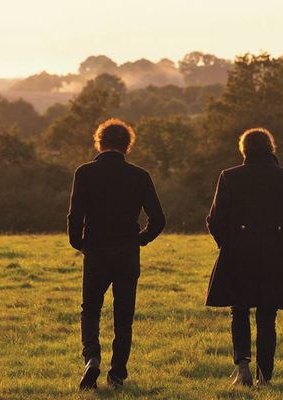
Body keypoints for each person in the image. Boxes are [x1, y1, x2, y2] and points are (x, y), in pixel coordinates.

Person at [205, 127, 283, 387]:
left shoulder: (229, 177)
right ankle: (266, 376)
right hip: (277, 255)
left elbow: (214, 220)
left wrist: (226, 245)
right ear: (270, 148)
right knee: (267, 315)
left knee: (239, 310)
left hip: (238, 253)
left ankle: (242, 367)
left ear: (244, 150)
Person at [67, 118, 166, 390]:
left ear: (99, 141)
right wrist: (139, 240)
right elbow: (158, 219)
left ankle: (92, 359)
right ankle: (118, 372)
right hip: (126, 251)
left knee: (90, 309)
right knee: (124, 314)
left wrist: (80, 243)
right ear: (127, 145)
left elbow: (75, 215)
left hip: (96, 249)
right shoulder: (140, 176)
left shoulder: (84, 173)